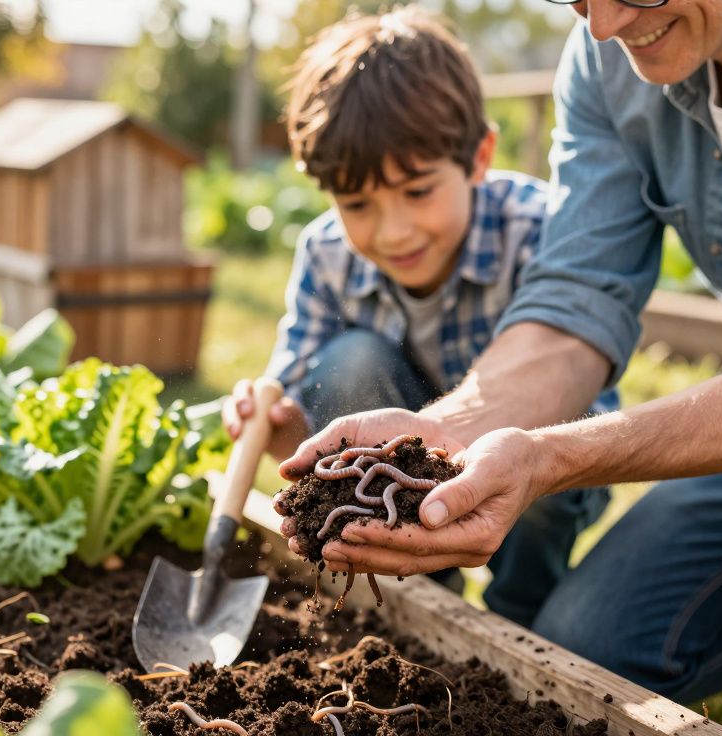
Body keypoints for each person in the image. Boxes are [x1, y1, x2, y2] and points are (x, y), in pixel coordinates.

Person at [277, 0, 722, 716]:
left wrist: (552, 457)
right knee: (585, 645)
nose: (600, 25)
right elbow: (572, 308)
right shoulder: (608, 56)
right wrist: (441, 438)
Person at [223, 6, 615, 627]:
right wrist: (273, 424)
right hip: (400, 468)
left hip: (536, 458)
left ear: (478, 157)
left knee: (540, 444)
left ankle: (519, 616)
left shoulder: (534, 229)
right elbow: (301, 405)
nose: (393, 229)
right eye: (357, 203)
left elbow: (578, 375)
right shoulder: (327, 254)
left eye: (418, 191)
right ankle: (427, 593)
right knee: (349, 363)